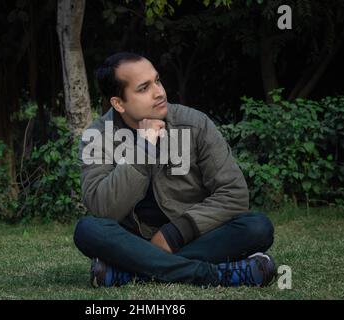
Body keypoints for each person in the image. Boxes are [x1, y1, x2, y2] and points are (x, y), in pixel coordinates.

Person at [73, 52, 277, 288]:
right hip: (132, 240)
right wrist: (143, 149)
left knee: (257, 227)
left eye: (157, 80)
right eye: (143, 88)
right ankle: (214, 274)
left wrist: (176, 232)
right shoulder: (97, 136)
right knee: (89, 229)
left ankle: (130, 272)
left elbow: (234, 193)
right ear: (118, 103)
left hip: (194, 236)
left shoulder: (195, 123)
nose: (159, 92)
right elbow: (103, 208)